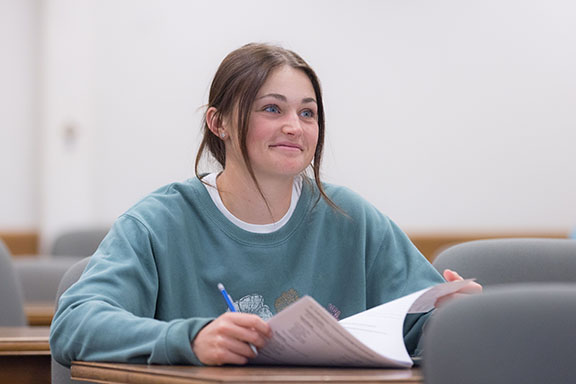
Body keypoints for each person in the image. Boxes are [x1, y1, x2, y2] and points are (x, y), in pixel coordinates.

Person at [50, 43, 481, 367]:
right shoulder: (158, 222)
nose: (294, 127)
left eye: (308, 113)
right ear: (217, 123)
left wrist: (454, 319)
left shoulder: (350, 217)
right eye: (272, 109)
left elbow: (419, 330)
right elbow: (75, 323)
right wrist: (191, 339)